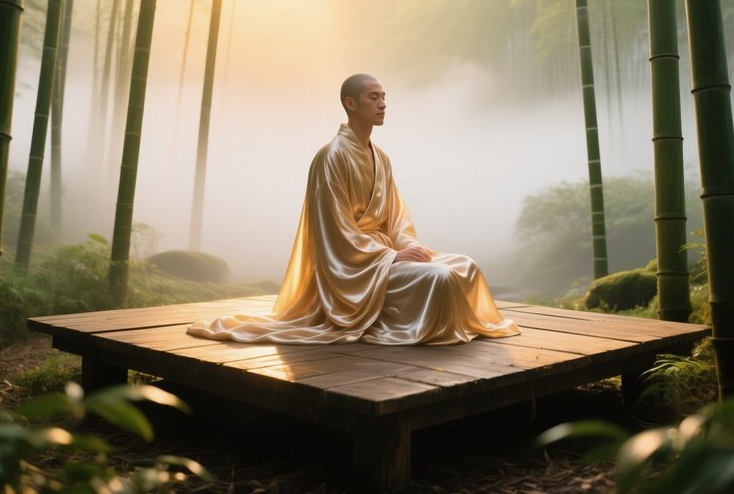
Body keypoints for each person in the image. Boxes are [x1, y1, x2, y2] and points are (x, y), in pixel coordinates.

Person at [187, 74, 519, 345]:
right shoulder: (330, 157)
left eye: (384, 96)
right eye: (374, 97)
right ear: (351, 104)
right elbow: (335, 234)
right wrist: (388, 258)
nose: (383, 104)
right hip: (354, 269)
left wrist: (405, 246)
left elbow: (397, 215)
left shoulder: (382, 157)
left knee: (466, 266)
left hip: (385, 255)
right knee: (442, 278)